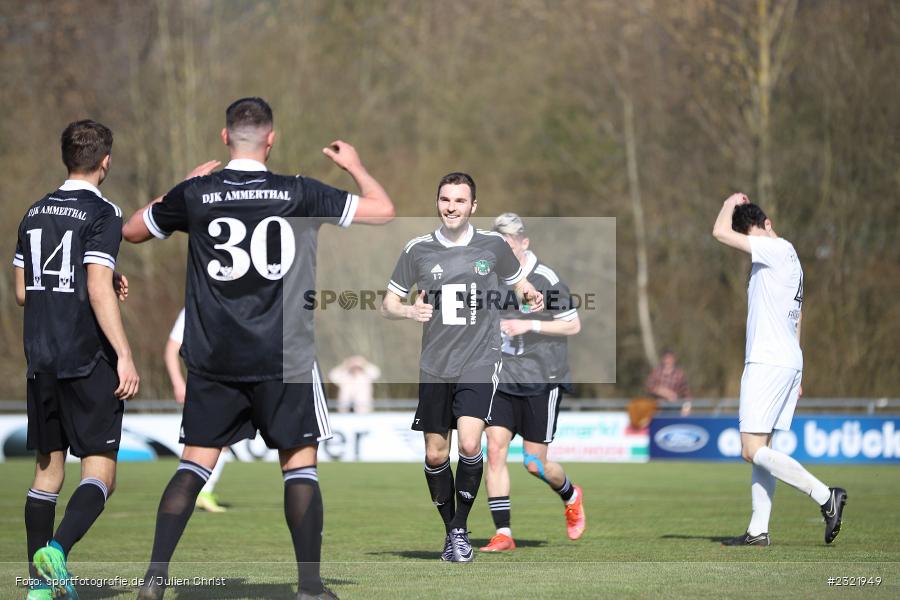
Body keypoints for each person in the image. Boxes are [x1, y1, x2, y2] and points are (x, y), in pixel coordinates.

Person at [122, 97, 394, 600]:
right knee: (300, 467)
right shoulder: (299, 191)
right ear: (272, 139)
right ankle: (310, 587)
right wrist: (354, 165)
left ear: (226, 138)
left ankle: (154, 580)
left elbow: (131, 231)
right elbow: (383, 211)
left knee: (193, 466)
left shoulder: (198, 194)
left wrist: (177, 188)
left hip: (215, 357)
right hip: (283, 357)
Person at [380, 174, 543, 562]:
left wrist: (530, 294)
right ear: (437, 202)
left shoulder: (493, 246)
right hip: (435, 365)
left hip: (480, 358)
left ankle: (459, 530)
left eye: (459, 200)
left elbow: (519, 284)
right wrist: (407, 310)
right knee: (437, 455)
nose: (451, 206)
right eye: (444, 199)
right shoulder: (417, 249)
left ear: (474, 206)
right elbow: (387, 303)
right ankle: (451, 529)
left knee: (470, 443)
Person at [14, 120, 140, 600]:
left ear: (65, 156)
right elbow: (92, 285)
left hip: (41, 356)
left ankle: (39, 589)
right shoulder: (104, 212)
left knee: (47, 474)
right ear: (105, 161)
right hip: (87, 358)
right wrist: (124, 355)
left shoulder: (33, 212)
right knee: (100, 473)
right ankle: (58, 552)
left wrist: (108, 278)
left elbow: (25, 293)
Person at [712, 193, 847, 546]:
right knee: (763, 449)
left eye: (755, 234)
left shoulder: (776, 248)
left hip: (768, 361)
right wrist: (798, 368)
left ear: (768, 225)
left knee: (750, 449)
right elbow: (797, 315)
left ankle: (824, 496)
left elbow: (720, 233)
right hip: (784, 358)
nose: (751, 243)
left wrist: (729, 202)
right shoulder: (787, 259)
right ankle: (758, 530)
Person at [480, 213, 585, 552]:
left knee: (534, 463)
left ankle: (570, 494)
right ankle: (504, 533)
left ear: (524, 242)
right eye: (500, 240)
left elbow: (573, 325)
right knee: (494, 449)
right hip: (503, 377)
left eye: (511, 239)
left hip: (543, 379)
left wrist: (531, 326)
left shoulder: (546, 279)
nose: (505, 245)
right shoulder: (490, 277)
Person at [164, 308, 227, 512]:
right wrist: (178, 383)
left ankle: (200, 492)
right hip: (206, 386)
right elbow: (171, 349)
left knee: (221, 442)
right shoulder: (194, 307)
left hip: (227, 386)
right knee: (202, 445)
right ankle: (197, 493)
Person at [645, 349, 692, 416]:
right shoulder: (656, 372)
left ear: (674, 359)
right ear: (663, 360)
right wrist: (665, 392)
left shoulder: (679, 374)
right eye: (666, 358)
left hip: (674, 409)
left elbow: (687, 394)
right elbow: (649, 386)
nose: (668, 361)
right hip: (658, 409)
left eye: (670, 358)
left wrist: (686, 408)